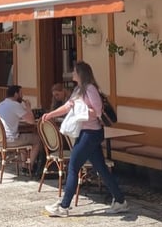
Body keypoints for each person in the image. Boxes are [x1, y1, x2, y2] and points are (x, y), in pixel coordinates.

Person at [40, 61, 128, 217]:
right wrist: (50, 115)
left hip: (91, 133)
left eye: (74, 71)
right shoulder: (78, 90)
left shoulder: (90, 89)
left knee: (73, 166)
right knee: (101, 168)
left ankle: (64, 206)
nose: (72, 73)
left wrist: (81, 110)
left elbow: (98, 111)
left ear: (80, 73)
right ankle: (120, 201)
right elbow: (68, 106)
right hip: (87, 133)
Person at [0, 85, 37, 173]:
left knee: (22, 137)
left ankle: (24, 166)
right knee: (37, 140)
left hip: (0, 139)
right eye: (21, 93)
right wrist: (28, 108)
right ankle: (30, 167)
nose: (22, 96)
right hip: (11, 140)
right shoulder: (15, 105)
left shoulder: (1, 104)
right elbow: (32, 121)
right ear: (16, 94)